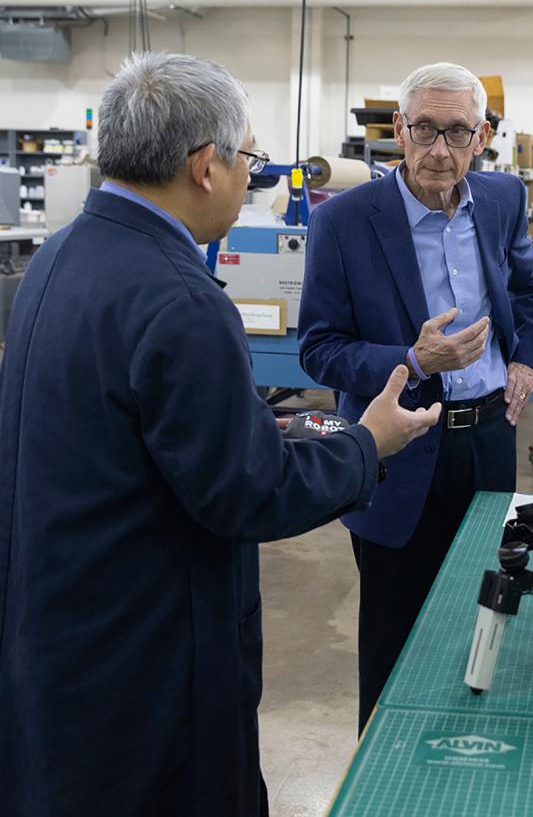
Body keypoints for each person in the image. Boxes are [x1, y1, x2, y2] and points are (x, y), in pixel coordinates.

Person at [0, 53, 441, 817]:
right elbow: (250, 494)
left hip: (61, 635)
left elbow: (124, 428)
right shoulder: (181, 298)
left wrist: (243, 423)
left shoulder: (61, 256)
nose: (250, 179)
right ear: (206, 165)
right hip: (152, 657)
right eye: (250, 160)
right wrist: (367, 444)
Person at [298, 62, 533, 732]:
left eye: (459, 132)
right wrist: (412, 359)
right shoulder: (345, 222)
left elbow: (528, 284)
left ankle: (472, 764)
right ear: (398, 130)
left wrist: (526, 356)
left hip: (490, 440)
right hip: (398, 449)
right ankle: (383, 778)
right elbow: (320, 347)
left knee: (489, 614)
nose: (441, 151)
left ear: (484, 134)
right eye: (426, 131)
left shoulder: (500, 199)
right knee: (394, 630)